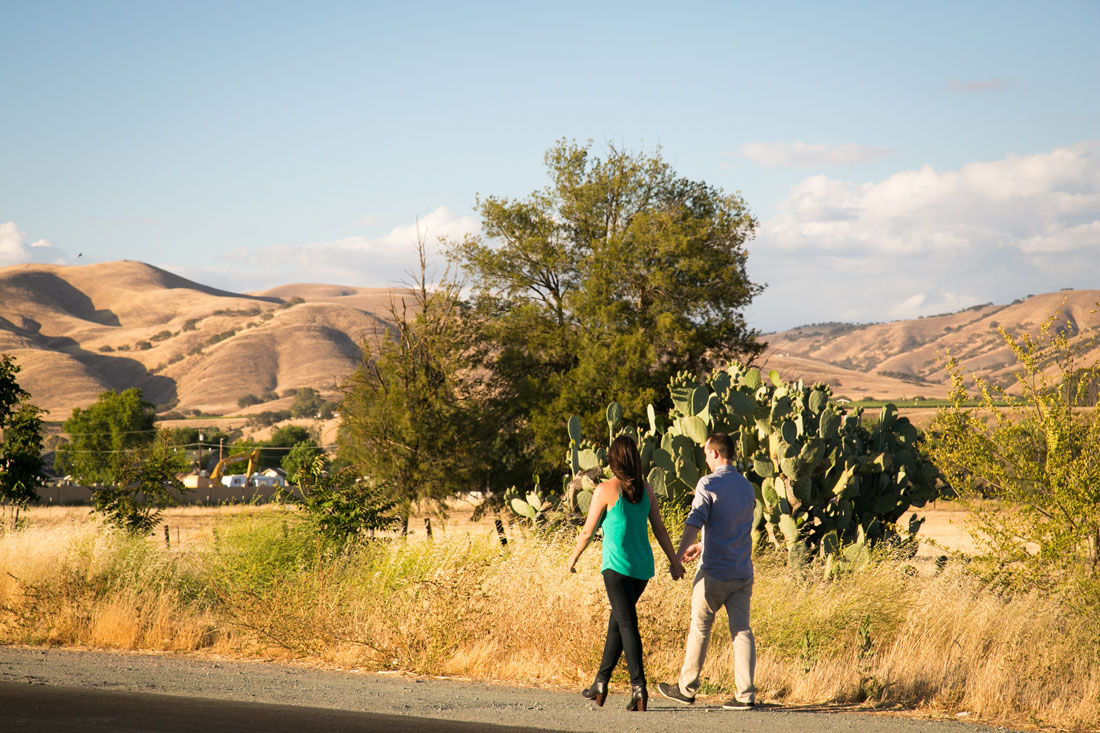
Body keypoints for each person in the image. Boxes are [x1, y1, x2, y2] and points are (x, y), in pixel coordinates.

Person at [567, 435, 685, 712]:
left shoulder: (605, 490)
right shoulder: (646, 490)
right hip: (642, 569)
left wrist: (573, 558)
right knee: (618, 624)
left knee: (627, 624)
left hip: (616, 568)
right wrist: (674, 561)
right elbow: (660, 529)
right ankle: (600, 682)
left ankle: (638, 687)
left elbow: (587, 531)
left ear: (613, 459)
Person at [658, 432, 757, 710]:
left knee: (700, 629)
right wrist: (702, 546)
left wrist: (677, 556)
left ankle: (686, 688)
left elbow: (695, 520)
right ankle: (745, 695)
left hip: (713, 572)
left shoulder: (708, 483)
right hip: (741, 571)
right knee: (742, 632)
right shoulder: (747, 487)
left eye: (705, 454)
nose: (705, 459)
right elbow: (734, 526)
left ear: (715, 453)